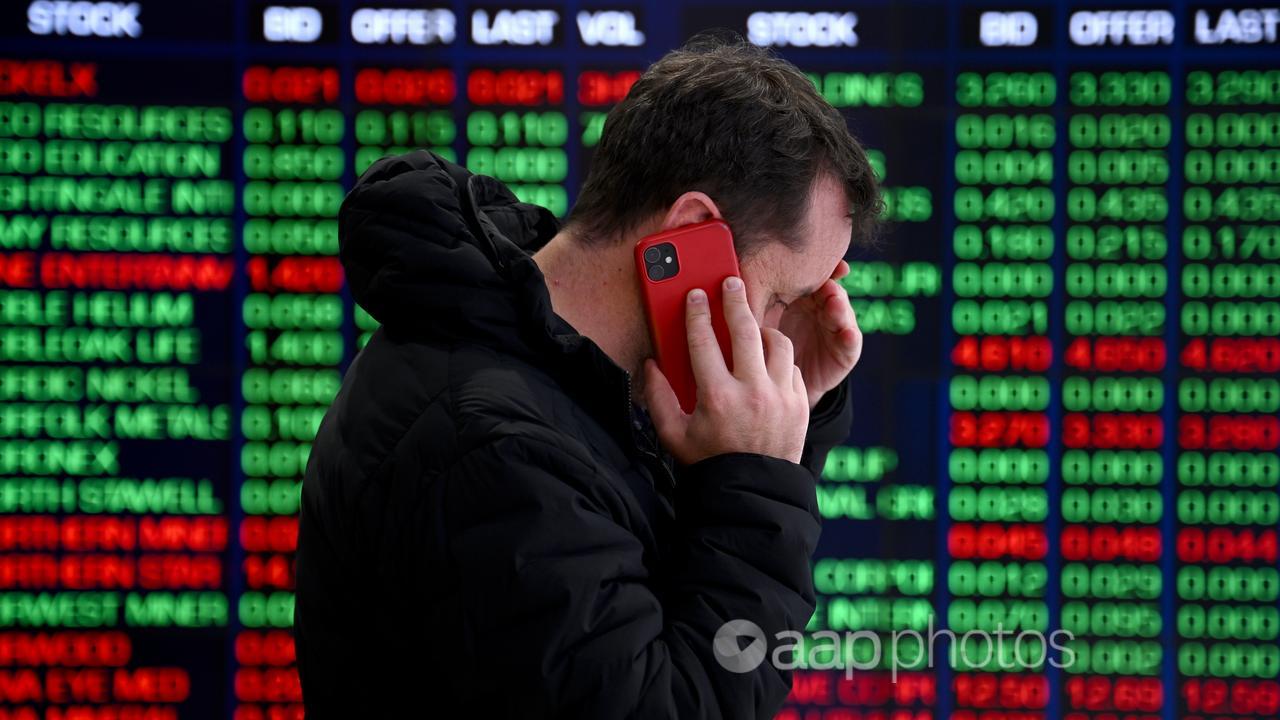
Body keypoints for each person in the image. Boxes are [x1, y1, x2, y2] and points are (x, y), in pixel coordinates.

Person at [294, 33, 882, 719]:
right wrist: (755, 485)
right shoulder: (496, 451)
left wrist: (791, 424)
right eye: (781, 299)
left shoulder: (554, 379)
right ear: (690, 237)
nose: (775, 337)